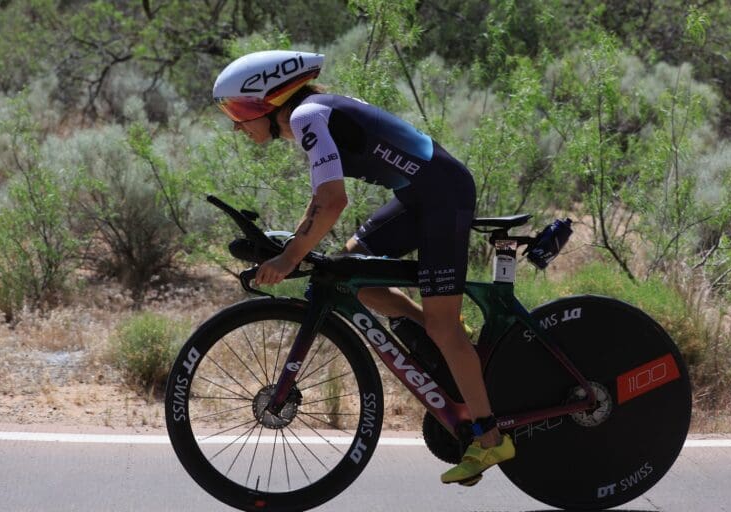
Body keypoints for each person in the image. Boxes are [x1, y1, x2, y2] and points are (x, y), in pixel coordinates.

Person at [212, 50, 515, 485]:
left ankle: (490, 440)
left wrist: (290, 257)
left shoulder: (305, 118)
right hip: (419, 196)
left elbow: (334, 202)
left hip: (442, 199)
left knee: (442, 327)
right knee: (361, 281)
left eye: (239, 111)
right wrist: (289, 245)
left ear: (270, 100)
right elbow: (321, 201)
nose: (236, 125)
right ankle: (450, 342)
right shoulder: (311, 115)